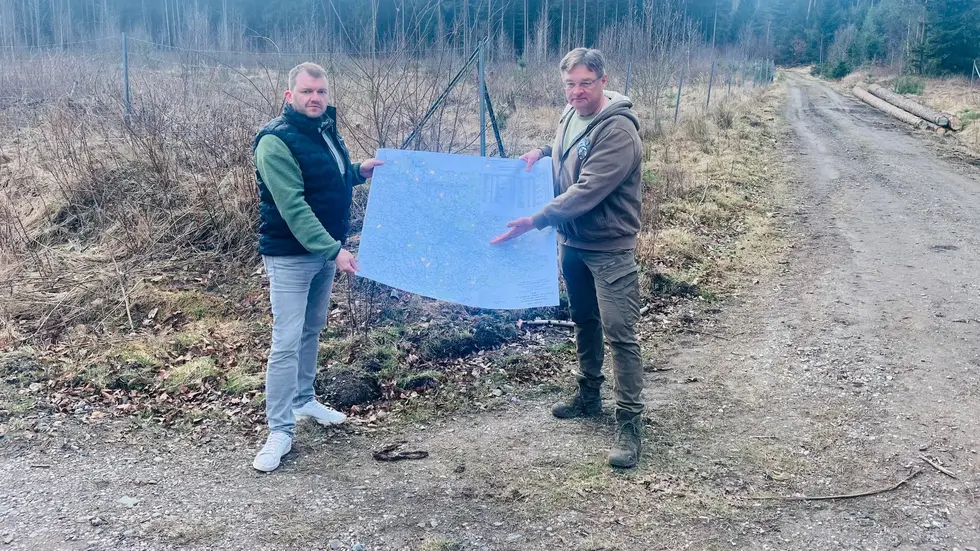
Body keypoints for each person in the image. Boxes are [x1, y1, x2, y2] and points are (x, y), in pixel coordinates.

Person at [491, 48, 644, 469]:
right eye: (570, 84)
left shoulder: (618, 130)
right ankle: (589, 395)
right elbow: (569, 148)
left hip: (608, 247)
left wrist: (537, 220)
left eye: (585, 83)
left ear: (603, 80)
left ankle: (630, 422)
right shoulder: (571, 113)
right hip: (572, 243)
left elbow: (588, 189)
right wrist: (541, 151)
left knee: (620, 333)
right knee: (584, 321)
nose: (576, 91)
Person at [251, 62, 382, 472]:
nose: (315, 98)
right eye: (307, 91)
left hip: (325, 253)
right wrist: (334, 250)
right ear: (289, 95)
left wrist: (359, 171)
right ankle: (279, 430)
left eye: (321, 92)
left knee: (312, 330)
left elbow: (328, 180)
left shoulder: (325, 129)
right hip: (292, 255)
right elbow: (293, 206)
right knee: (286, 340)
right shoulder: (275, 142)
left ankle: (305, 400)